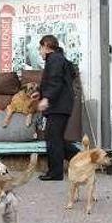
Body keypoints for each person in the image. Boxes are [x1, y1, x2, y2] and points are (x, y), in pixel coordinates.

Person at [35, 35, 78, 181]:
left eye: (40, 48)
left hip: (58, 105)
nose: (40, 51)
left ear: (46, 46)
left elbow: (55, 81)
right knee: (55, 138)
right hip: (61, 105)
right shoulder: (60, 59)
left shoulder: (54, 59)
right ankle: (81, 158)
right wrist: (40, 94)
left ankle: (56, 172)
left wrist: (47, 98)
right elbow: (64, 78)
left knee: (53, 138)